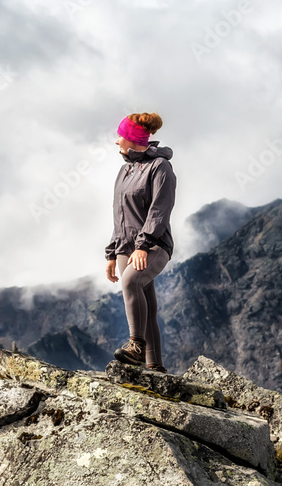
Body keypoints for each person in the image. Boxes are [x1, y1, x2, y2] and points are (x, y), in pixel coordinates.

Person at [104, 112, 177, 372]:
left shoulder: (160, 167)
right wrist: (112, 253)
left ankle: (135, 345)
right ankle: (155, 366)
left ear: (132, 139)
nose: (117, 142)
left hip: (153, 245)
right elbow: (119, 213)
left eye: (120, 136)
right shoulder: (125, 170)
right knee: (146, 301)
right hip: (126, 247)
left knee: (131, 282)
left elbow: (160, 209)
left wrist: (143, 246)